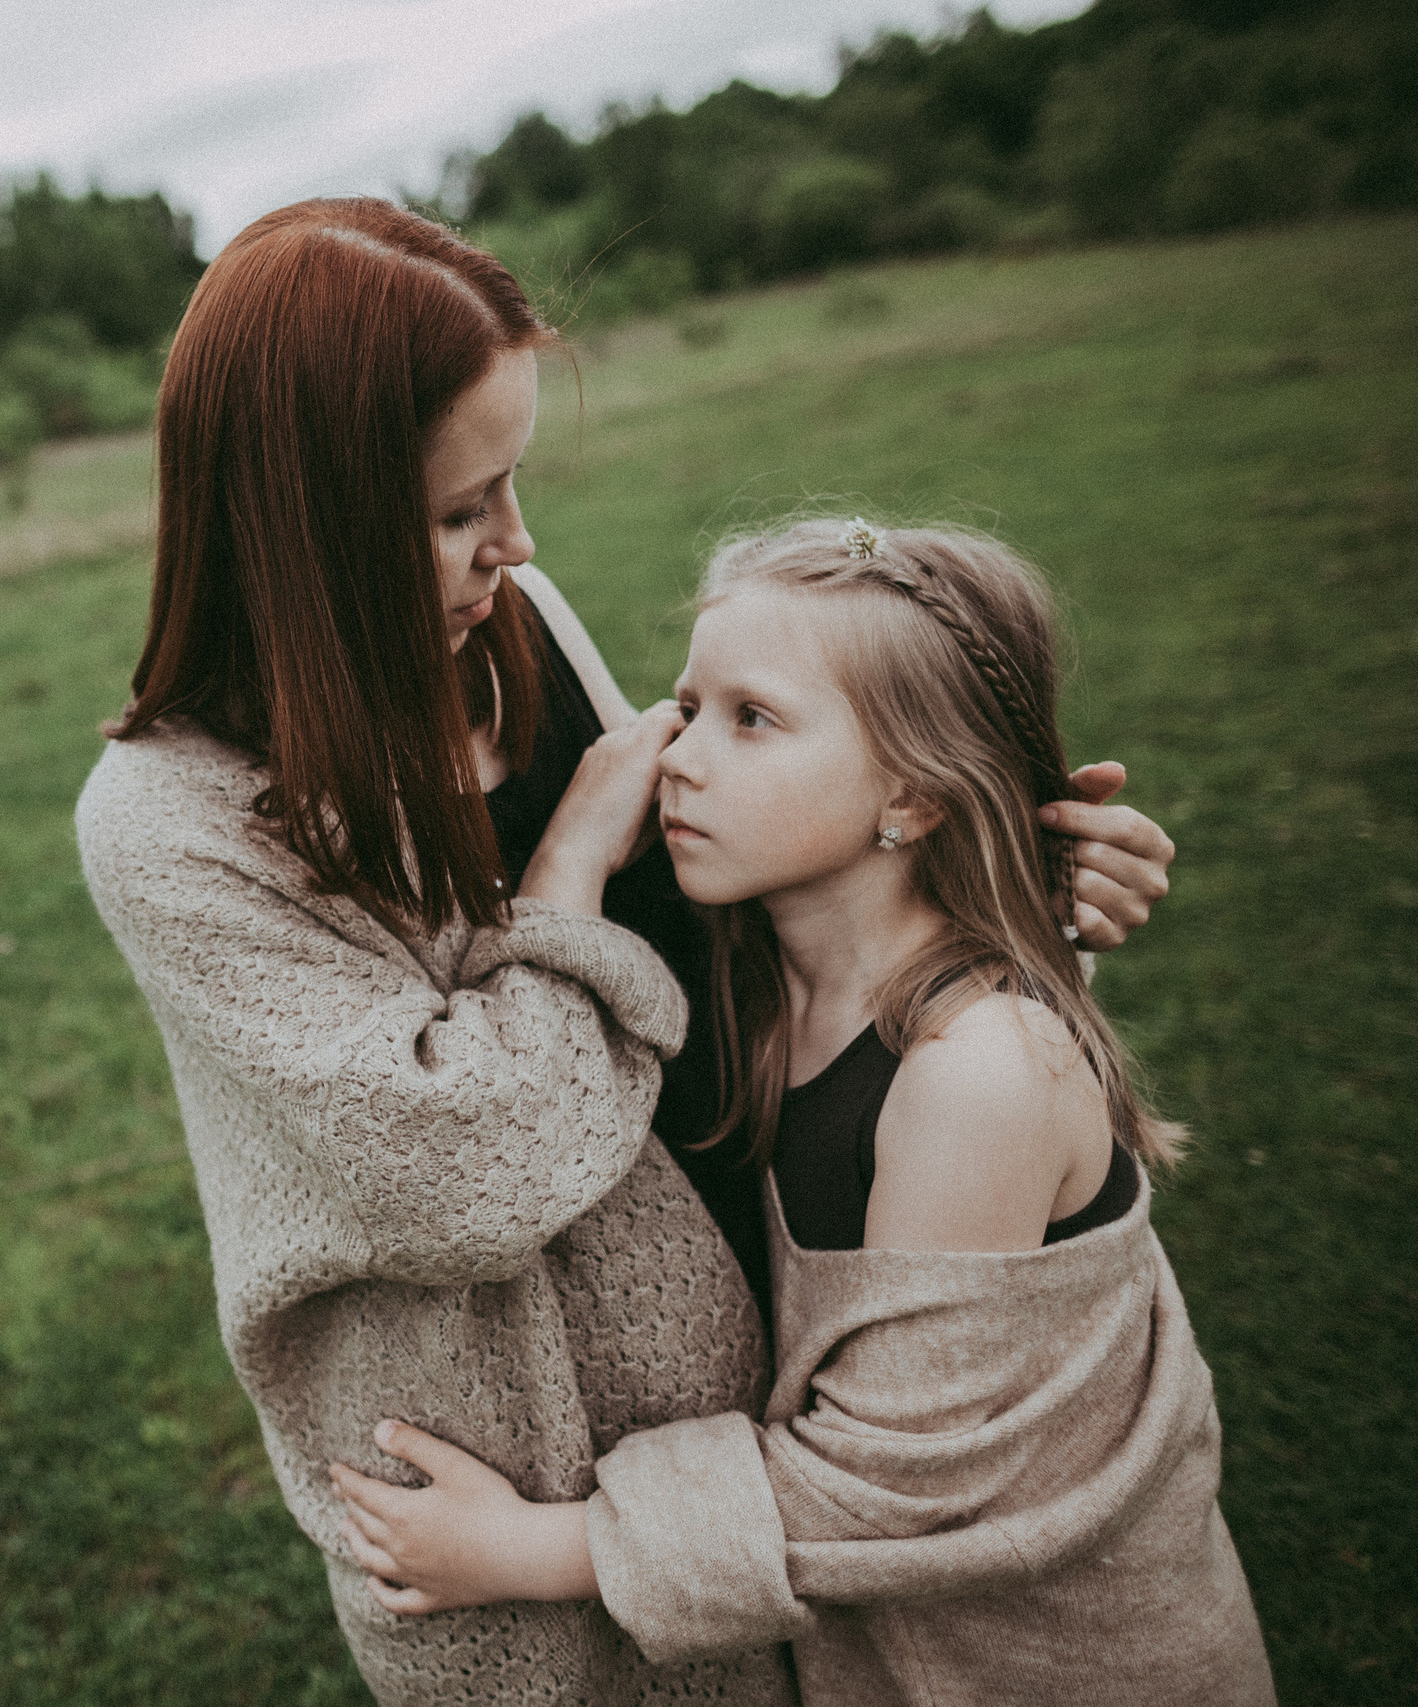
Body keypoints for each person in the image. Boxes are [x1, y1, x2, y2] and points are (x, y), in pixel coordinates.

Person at [73, 199, 1176, 1706]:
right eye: (463, 510)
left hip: (795, 1436)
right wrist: (569, 871)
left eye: (512, 485)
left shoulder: (515, 623)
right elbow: (462, 1167)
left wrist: (991, 888)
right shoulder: (174, 818)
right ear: (308, 526)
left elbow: (741, 924)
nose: (517, 547)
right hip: (513, 1514)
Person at [330, 520, 1272, 1705]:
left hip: (1057, 1661)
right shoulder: (759, 982)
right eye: (688, 705)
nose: (675, 756)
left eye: (753, 719)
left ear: (914, 795)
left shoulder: (973, 1075)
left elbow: (894, 1480)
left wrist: (527, 1549)